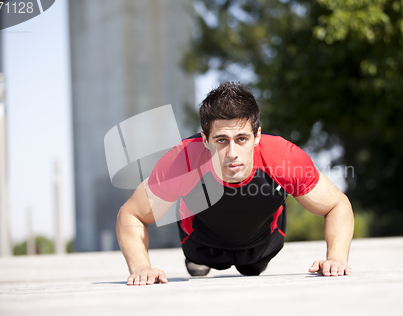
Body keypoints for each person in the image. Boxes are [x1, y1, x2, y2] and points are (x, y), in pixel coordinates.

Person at [116, 82, 354, 285]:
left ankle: (249, 262)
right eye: (221, 140)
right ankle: (197, 261)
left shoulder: (283, 158)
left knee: (252, 270)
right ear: (205, 139)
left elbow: (337, 205)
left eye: (242, 139)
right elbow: (132, 214)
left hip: (260, 246)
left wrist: (336, 258)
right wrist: (141, 268)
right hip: (200, 243)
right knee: (198, 268)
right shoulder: (183, 160)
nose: (232, 152)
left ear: (257, 136)